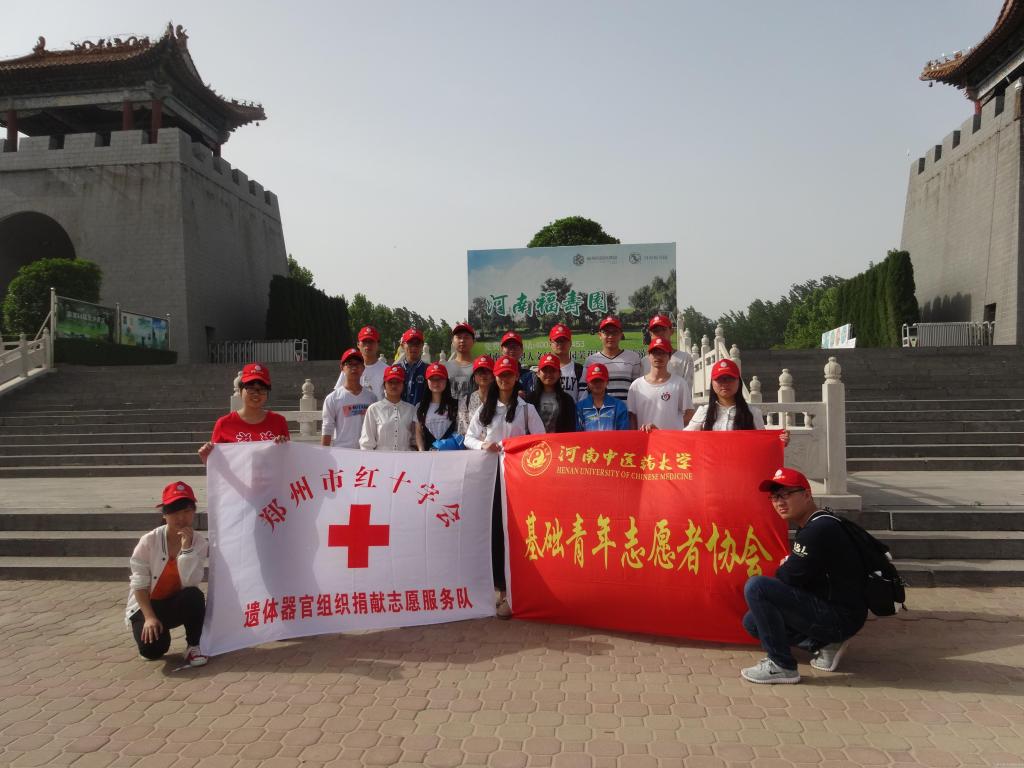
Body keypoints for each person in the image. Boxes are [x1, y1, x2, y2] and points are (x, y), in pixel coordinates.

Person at [740, 467, 868, 684]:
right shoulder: (818, 522)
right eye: (774, 497)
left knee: (758, 587)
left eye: (786, 495)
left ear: (807, 495)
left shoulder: (817, 530)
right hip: (837, 610)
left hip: (840, 617)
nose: (779, 502)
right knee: (752, 622)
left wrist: (787, 565)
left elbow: (788, 578)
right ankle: (824, 643)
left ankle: (782, 665)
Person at [464, 356, 546, 619]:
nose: (504, 379)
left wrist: (521, 451)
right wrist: (483, 445)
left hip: (519, 480)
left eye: (509, 375)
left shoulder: (526, 409)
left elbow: (541, 441)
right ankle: (501, 589)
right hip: (491, 480)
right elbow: (469, 438)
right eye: (500, 375)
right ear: (494, 377)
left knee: (519, 532)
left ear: (516, 377)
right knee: (496, 532)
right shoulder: (485, 409)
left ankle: (519, 588)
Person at [126, 481, 209, 666]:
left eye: (187, 511)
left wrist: (186, 550)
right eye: (174, 512)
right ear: (164, 515)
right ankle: (156, 630)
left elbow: (191, 582)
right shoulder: (149, 541)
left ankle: (194, 646)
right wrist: (149, 617)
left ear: (194, 512)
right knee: (152, 651)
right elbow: (139, 583)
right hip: (147, 606)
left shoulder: (199, 542)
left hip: (174, 603)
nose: (181, 518)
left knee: (194, 596)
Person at [198, 363, 290, 463]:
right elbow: (217, 464)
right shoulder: (224, 423)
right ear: (241, 391)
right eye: (250, 388)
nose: (256, 393)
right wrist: (206, 457)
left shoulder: (279, 421)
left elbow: (287, 460)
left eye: (262, 389)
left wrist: (283, 446)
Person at [627, 337, 693, 431]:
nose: (658, 357)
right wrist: (636, 436)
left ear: (669, 356)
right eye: (655, 353)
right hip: (645, 438)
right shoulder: (636, 386)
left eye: (663, 353)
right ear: (648, 356)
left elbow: (689, 413)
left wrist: (671, 429)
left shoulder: (679, 383)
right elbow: (632, 416)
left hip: (669, 439)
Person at [321, 349, 377, 448]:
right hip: (342, 451)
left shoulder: (371, 398)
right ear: (342, 367)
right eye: (350, 364)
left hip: (365, 451)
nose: (354, 368)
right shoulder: (332, 398)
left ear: (363, 368)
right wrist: (323, 453)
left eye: (357, 364)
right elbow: (327, 428)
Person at [642, 314, 695, 413]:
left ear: (671, 331)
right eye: (655, 331)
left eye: (663, 329)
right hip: (649, 413)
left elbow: (686, 392)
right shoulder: (644, 361)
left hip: (676, 413)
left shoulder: (685, 358)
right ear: (650, 334)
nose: (659, 333)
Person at [360, 364, 417, 451]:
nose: (394, 386)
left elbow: (415, 441)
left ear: (403, 385)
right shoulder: (374, 409)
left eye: (398, 382)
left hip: (405, 458)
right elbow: (367, 443)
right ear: (384, 385)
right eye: (390, 382)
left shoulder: (411, 409)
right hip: (381, 458)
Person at [585, 316, 641, 402]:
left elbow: (638, 388)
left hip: (625, 409)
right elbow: (584, 389)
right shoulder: (591, 360)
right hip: (600, 409)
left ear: (621, 334)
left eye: (615, 332)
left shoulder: (633, 357)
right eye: (606, 332)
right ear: (600, 335)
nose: (611, 336)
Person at [527, 353, 577, 433]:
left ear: (559, 373)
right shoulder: (530, 399)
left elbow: (570, 428)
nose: (549, 374)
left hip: (559, 441)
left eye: (552, 371)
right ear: (538, 373)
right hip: (536, 441)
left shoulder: (567, 400)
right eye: (545, 371)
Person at [416, 362, 460, 450]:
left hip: (452, 453)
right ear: (427, 381)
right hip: (429, 455)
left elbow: (460, 430)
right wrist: (422, 452)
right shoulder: (420, 407)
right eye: (432, 379)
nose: (436, 383)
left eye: (440, 379)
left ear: (446, 381)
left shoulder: (456, 405)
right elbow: (418, 433)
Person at [335, 326, 388, 398]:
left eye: (371, 341)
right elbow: (337, 393)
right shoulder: (349, 368)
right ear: (358, 344)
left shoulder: (386, 370)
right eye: (364, 341)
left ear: (378, 344)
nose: (368, 345)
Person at [576, 362, 630, 431]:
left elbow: (623, 432)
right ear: (588, 383)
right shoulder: (579, 407)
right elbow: (577, 432)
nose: (597, 384)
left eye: (600, 380)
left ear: (607, 382)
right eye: (594, 381)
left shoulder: (619, 406)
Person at [457, 354, 494, 436]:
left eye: (487, 371)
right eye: (479, 371)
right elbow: (462, 429)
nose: (483, 375)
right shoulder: (466, 400)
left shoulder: (500, 398)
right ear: (474, 376)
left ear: (493, 376)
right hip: (472, 443)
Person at [548, 323, 586, 401]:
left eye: (564, 340)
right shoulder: (543, 370)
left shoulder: (580, 370)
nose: (560, 344)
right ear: (550, 343)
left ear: (570, 343)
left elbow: (582, 401)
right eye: (557, 340)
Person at [445, 321, 477, 403]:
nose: (462, 340)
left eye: (466, 337)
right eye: (459, 337)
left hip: (474, 409)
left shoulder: (479, 367)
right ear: (452, 341)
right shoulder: (445, 367)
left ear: (473, 341)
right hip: (450, 410)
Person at [399, 328, 428, 406]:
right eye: (410, 343)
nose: (414, 347)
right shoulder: (395, 370)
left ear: (422, 346)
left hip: (421, 412)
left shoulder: (428, 370)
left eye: (417, 344)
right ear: (402, 345)